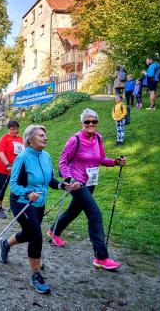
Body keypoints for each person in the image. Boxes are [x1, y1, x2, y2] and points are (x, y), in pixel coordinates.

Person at [48, 108, 126, 270]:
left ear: (97, 123)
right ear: (82, 123)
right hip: (78, 183)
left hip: (91, 182)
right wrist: (70, 180)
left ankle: (53, 231)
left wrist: (116, 162)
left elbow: (101, 159)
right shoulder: (74, 140)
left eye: (94, 121)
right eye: (87, 122)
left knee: (73, 211)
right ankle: (101, 257)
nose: (91, 124)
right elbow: (62, 163)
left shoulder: (98, 138)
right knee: (95, 215)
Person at [0, 125, 69, 294]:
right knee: (36, 235)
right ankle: (36, 275)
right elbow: (13, 185)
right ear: (30, 140)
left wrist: (62, 185)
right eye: (41, 135)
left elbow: (49, 179)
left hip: (39, 203)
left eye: (45, 135)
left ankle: (5, 244)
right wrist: (28, 192)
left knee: (30, 233)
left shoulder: (46, 156)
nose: (45, 138)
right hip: (22, 202)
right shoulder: (22, 158)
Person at [0, 120, 24, 219]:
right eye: (12, 129)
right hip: (2, 168)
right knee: (2, 188)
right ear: (8, 129)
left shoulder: (20, 139)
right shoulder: (4, 138)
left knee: (16, 187)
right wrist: (8, 165)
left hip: (16, 169)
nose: (15, 131)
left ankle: (14, 206)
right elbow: (1, 153)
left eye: (16, 129)